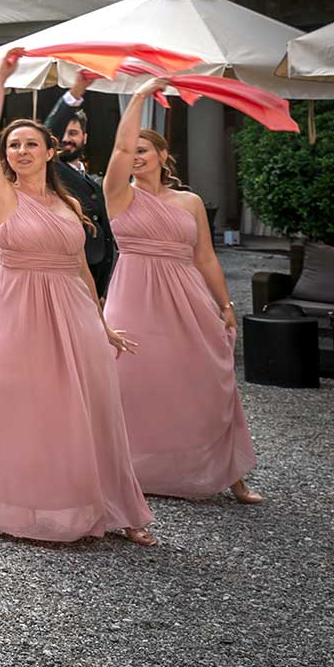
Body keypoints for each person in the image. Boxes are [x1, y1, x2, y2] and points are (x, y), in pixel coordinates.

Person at [0, 51, 153, 546]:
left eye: (30, 144)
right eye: (13, 145)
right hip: (16, 309)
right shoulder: (3, 196)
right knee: (10, 402)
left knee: (90, 407)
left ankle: (115, 508)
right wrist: (1, 78)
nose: (20, 151)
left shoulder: (69, 202)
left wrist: (102, 322)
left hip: (73, 310)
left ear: (50, 152)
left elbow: (80, 270)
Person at [101, 86, 260, 504]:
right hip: (134, 295)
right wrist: (139, 98)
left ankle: (229, 474)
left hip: (188, 297)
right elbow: (119, 149)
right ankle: (131, 471)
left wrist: (225, 305)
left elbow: (206, 258)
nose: (136, 156)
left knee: (206, 378)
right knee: (132, 383)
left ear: (161, 154)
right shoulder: (119, 194)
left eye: (144, 150)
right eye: (130, 150)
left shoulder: (189, 202)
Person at [44, 75, 118, 296]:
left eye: (73, 134)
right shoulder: (51, 169)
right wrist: (75, 92)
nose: (66, 139)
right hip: (67, 269)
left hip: (97, 270)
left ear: (85, 138)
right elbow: (47, 133)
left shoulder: (95, 181)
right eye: (63, 134)